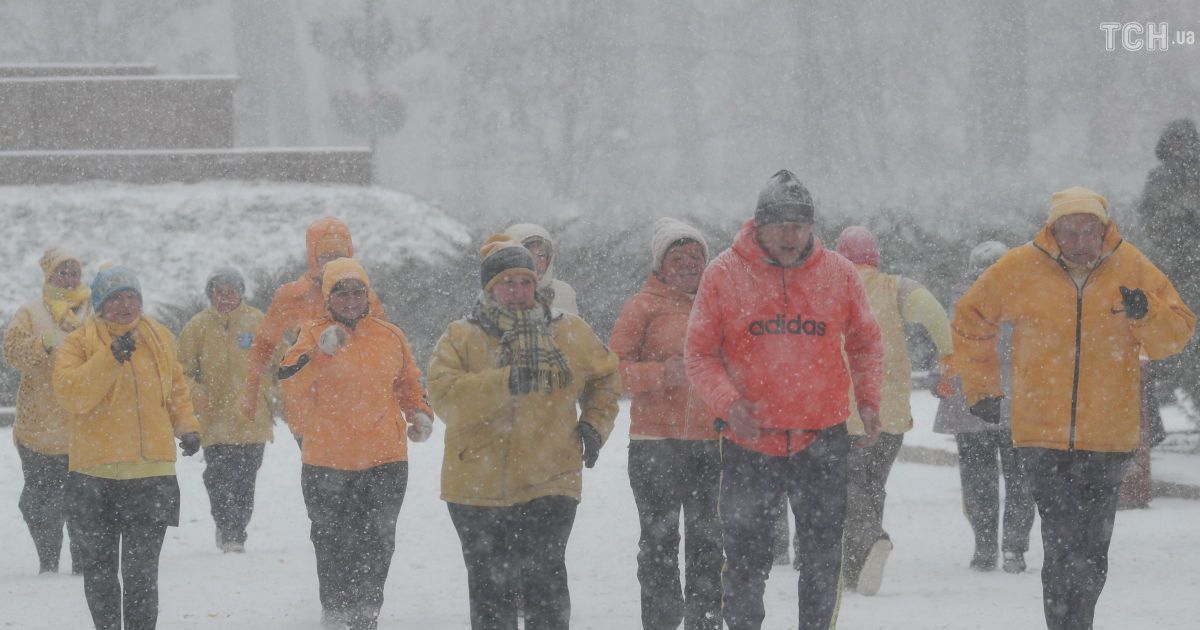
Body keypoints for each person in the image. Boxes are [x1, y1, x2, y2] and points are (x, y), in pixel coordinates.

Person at [953, 187, 1195, 630]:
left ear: (1105, 230)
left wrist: (1146, 316)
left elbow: (1175, 335)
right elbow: (970, 319)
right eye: (1070, 231)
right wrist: (983, 387)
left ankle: (1075, 620)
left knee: (1093, 551)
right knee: (1062, 543)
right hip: (1042, 437)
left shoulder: (1133, 267)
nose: (1081, 241)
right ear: (1053, 231)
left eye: (1090, 231)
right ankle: (1067, 622)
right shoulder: (1021, 267)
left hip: (1108, 437)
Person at [685, 170, 884, 630]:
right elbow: (699, 353)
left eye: (801, 226)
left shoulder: (838, 273)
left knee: (821, 556)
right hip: (750, 439)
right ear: (759, 226)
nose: (791, 236)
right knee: (746, 558)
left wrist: (869, 398)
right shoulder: (724, 273)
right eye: (780, 226)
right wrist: (727, 402)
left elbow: (867, 341)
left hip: (822, 437)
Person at [428, 235, 620, 630]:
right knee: (490, 592)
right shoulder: (461, 335)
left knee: (545, 584)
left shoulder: (569, 331)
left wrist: (594, 425)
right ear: (489, 288)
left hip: (551, 477)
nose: (518, 292)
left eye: (526, 282)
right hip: (476, 485)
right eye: (507, 283)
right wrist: (505, 382)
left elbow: (605, 377)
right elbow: (444, 397)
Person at [277, 258, 432, 630]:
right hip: (327, 459)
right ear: (328, 299)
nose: (350, 298)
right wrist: (319, 353)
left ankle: (366, 612)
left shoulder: (390, 335)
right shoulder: (311, 334)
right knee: (332, 540)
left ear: (368, 295)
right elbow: (288, 379)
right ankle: (336, 610)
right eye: (340, 292)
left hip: (385, 457)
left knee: (378, 541)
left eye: (357, 290)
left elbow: (408, 381)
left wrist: (419, 412)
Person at [53, 266, 202, 630]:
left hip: (151, 477)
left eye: (131, 297)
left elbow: (176, 389)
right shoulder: (78, 342)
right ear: (100, 303)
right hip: (94, 477)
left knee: (141, 575)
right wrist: (110, 358)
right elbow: (72, 394)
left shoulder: (160, 338)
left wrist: (187, 427)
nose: (124, 305)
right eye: (115, 297)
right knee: (100, 575)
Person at [609, 218, 721, 630]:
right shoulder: (642, 305)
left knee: (709, 541)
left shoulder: (719, 303)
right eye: (679, 258)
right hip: (655, 442)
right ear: (661, 264)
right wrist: (658, 375)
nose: (690, 265)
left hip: (712, 441)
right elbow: (612, 371)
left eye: (697, 257)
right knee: (658, 541)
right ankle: (660, 621)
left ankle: (705, 621)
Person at [833, 225, 955, 596]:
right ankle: (860, 565)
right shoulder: (898, 287)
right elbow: (936, 316)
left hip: (845, 411)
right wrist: (947, 360)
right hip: (890, 413)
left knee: (849, 487)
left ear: (840, 255)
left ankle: (869, 541)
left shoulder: (829, 287)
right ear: (875, 256)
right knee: (872, 486)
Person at [933, 241, 1036, 574]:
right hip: (1019, 406)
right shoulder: (1027, 298)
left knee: (978, 482)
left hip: (972, 404)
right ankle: (1014, 550)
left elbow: (949, 347)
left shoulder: (960, 300)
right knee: (1022, 481)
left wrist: (944, 379)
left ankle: (984, 547)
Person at [239, 217, 386, 432]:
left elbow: (385, 346)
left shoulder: (365, 297)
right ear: (313, 257)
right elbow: (263, 345)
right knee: (321, 465)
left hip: (358, 407)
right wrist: (250, 393)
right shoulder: (291, 297)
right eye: (326, 257)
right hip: (309, 410)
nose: (333, 262)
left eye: (340, 256)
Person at [2, 247, 89, 574]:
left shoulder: (91, 310)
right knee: (41, 500)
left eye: (74, 272)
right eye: (61, 272)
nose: (68, 278)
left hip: (83, 426)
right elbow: (12, 352)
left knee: (83, 502)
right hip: (38, 426)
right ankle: (49, 562)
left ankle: (83, 562)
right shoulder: (30, 312)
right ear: (48, 275)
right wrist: (43, 345)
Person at [177, 267, 275, 553]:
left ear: (241, 293)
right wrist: (196, 394)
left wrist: (274, 391)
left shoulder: (258, 322)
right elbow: (182, 371)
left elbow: (281, 361)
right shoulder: (196, 327)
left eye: (232, 291)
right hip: (214, 421)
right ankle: (227, 527)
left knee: (245, 480)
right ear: (211, 295)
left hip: (251, 419)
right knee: (218, 477)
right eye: (220, 291)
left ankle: (237, 530)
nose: (226, 297)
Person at [503, 223, 580, 315]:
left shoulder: (564, 292)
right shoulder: (499, 292)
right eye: (529, 255)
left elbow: (576, 328)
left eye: (541, 255)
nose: (536, 262)